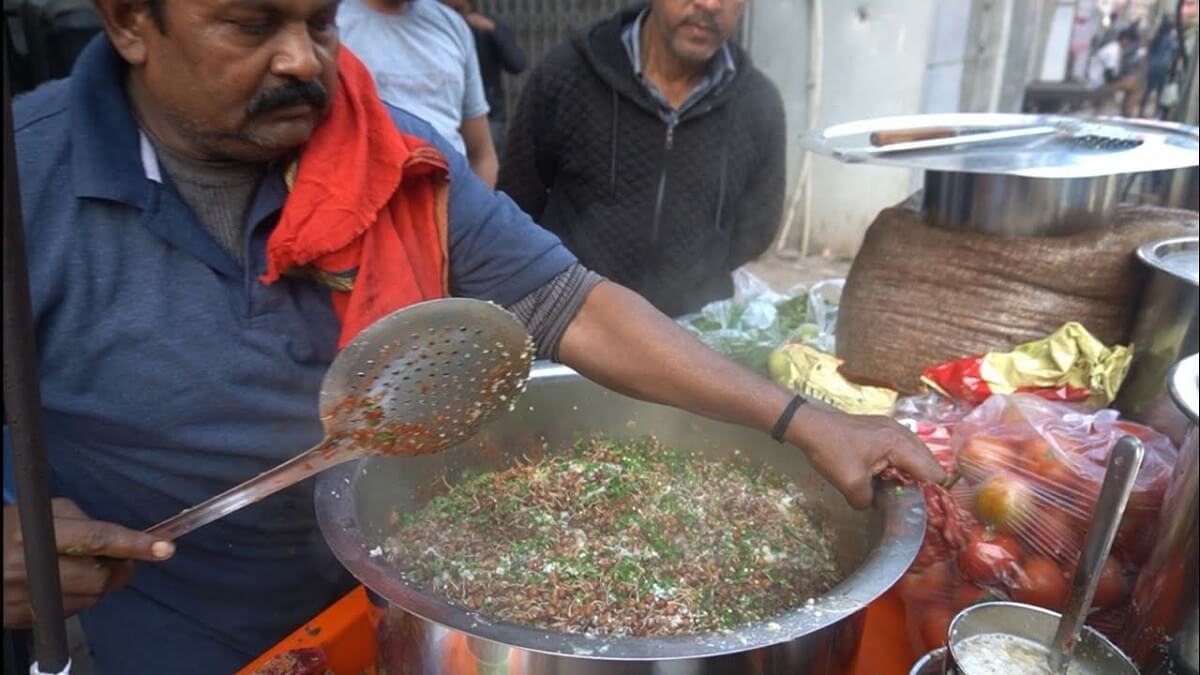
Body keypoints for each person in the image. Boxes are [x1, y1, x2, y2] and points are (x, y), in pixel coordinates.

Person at [1, 0, 944, 672]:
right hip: (187, 633)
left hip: (408, 605)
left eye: (320, 24)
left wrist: (801, 418)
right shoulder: (26, 185)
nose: (303, 59)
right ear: (130, 21)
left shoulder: (398, 157)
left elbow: (574, 303)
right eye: (253, 25)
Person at [497, 0, 786, 318]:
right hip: (575, 328)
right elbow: (517, 200)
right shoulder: (569, 75)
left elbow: (758, 227)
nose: (709, 4)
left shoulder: (758, 104)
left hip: (690, 335)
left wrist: (695, 275)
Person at [337, 0, 498, 186]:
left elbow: (481, 154)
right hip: (373, 201)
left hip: (454, 202)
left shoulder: (453, 26)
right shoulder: (332, 27)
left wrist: (480, 211)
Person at [440, 0, 526, 159]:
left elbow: (517, 63)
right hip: (447, 113)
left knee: (484, 162)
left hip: (488, 113)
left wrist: (493, 30)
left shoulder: (488, 24)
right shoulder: (435, 26)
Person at [1141, 19, 1177, 117]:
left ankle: (1141, 110)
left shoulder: (1157, 37)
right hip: (1163, 68)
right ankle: (1156, 113)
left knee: (1148, 89)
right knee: (1160, 91)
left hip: (1152, 66)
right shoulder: (1170, 39)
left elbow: (1150, 53)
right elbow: (1175, 50)